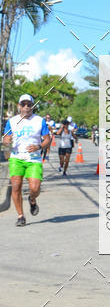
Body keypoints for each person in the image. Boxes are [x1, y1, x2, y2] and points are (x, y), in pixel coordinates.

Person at [2, 94, 51, 226]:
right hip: (16, 158)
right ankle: (20, 216)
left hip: (34, 159)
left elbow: (48, 139)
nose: (26, 107)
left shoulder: (39, 121)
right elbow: (5, 139)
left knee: (35, 188)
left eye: (29, 104)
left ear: (33, 106)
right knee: (16, 187)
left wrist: (39, 146)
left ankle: (32, 199)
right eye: (23, 104)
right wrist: (7, 141)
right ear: (19, 106)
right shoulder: (12, 121)